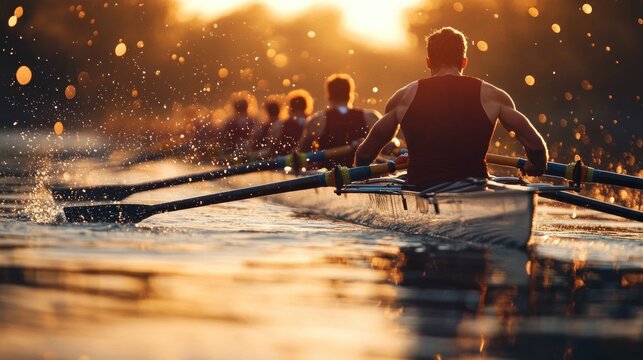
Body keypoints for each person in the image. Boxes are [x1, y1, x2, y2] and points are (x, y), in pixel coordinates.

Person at [354, 27, 548, 189]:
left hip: (422, 186)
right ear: (464, 62)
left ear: (428, 62)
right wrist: (535, 166)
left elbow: (364, 155)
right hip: (475, 186)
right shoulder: (494, 96)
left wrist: (364, 179)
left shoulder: (403, 97)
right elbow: (536, 147)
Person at [297, 73, 380, 167]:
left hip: (329, 176)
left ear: (328, 95)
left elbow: (301, 152)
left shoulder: (318, 120)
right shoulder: (371, 117)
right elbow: (390, 145)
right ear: (351, 95)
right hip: (365, 175)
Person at [219, 91, 260, 155]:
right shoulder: (254, 121)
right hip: (245, 151)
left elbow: (223, 139)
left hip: (236, 151)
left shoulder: (230, 122)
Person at [277, 89, 314, 153]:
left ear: (290, 107)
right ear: (306, 106)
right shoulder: (312, 121)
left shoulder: (283, 124)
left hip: (288, 159)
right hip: (309, 157)